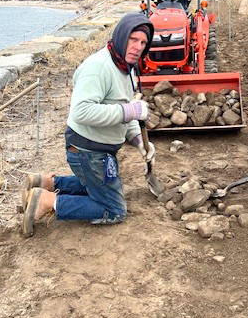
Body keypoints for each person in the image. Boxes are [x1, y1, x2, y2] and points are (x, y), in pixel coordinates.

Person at [21, 12, 155, 237]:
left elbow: (124, 108)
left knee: (102, 186)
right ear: (122, 37)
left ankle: (45, 183)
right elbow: (81, 112)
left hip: (98, 151)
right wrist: (129, 111)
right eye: (133, 39)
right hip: (87, 151)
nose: (138, 47)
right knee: (114, 209)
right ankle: (47, 200)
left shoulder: (124, 67)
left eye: (143, 42)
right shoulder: (99, 68)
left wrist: (138, 140)